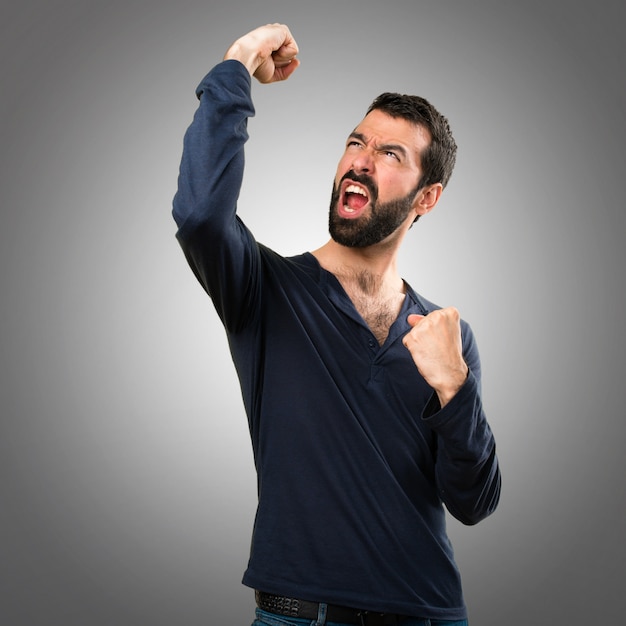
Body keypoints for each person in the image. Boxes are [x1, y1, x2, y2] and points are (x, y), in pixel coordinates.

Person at [172, 23, 500, 626]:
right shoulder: (263, 288)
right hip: (302, 615)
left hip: (429, 614)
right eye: (357, 142)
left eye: (389, 154)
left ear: (427, 198)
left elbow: (475, 501)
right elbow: (198, 214)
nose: (361, 161)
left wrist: (456, 388)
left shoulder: (445, 336)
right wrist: (237, 67)